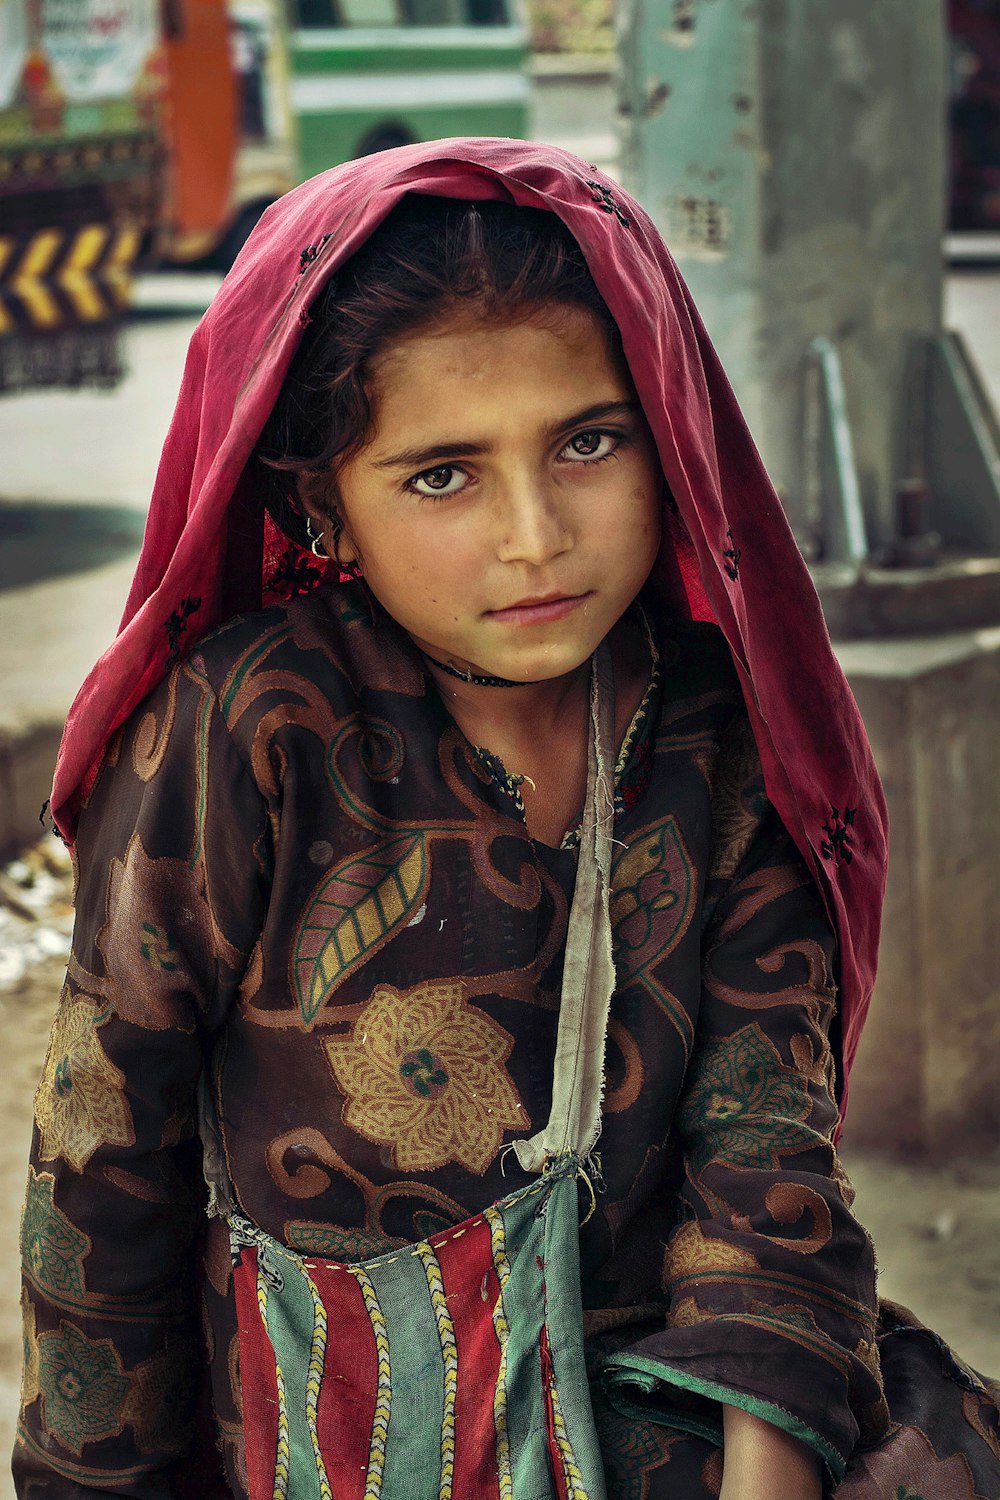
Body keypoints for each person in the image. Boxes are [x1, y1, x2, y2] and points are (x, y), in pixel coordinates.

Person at [15, 140, 999, 1499]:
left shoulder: (718, 734)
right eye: (442, 475)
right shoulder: (248, 728)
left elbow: (766, 1161)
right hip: (326, 1432)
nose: (537, 535)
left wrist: (765, 1479)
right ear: (325, 512)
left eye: (590, 442)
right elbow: (101, 1167)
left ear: (675, 447)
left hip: (660, 1390)